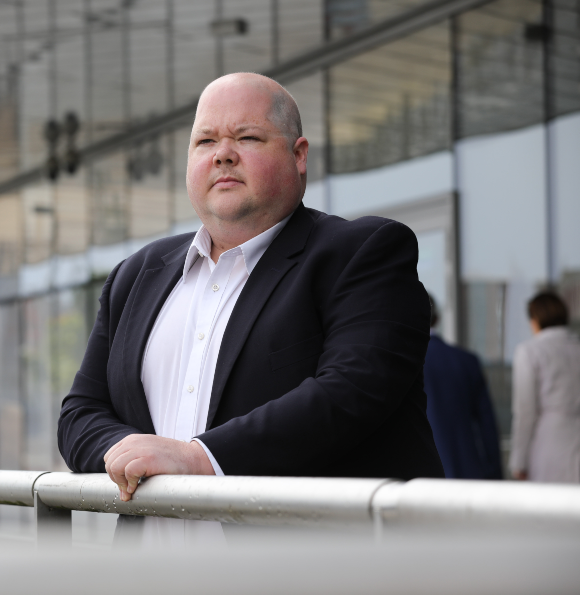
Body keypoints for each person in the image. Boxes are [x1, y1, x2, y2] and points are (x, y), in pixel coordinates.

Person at [58, 73, 443, 542]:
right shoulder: (136, 274)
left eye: (247, 137)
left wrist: (197, 459)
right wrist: (130, 456)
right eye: (205, 141)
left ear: (299, 156)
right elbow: (81, 410)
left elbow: (352, 392)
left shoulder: (362, 253)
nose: (222, 153)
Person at [423, 295, 502, 479]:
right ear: (438, 318)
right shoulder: (466, 361)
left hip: (415, 480)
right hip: (468, 474)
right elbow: (487, 425)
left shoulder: (398, 362)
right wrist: (495, 474)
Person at [509, 291, 580, 483]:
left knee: (548, 507)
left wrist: (518, 461)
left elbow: (525, 411)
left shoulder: (530, 351)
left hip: (549, 442)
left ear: (535, 319)